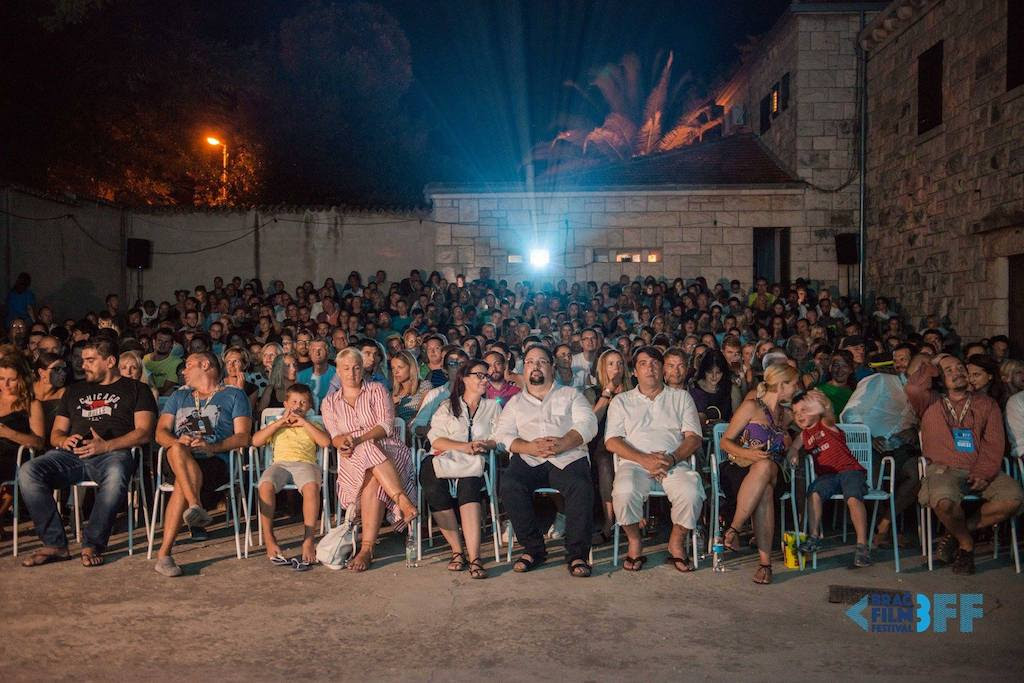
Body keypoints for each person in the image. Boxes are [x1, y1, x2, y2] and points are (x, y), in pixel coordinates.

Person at [19, 338, 157, 567]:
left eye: (91, 360)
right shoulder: (74, 391)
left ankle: (92, 542)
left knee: (115, 475)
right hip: (72, 455)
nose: (83, 366)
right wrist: (64, 440)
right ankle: (55, 543)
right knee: (29, 471)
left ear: (110, 361)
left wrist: (107, 446)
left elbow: (144, 432)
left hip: (113, 454)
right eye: (83, 360)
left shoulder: (136, 389)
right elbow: (56, 434)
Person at [906, 353, 1023, 574]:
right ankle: (966, 545)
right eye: (948, 370)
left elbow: (993, 443)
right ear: (940, 378)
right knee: (943, 502)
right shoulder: (930, 401)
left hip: (980, 468)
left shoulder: (986, 404)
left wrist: (983, 473)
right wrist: (932, 363)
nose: (956, 372)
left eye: (960, 368)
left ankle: (956, 532)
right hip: (944, 468)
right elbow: (913, 388)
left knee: (1014, 499)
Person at [495, 344, 599, 577]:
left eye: (541, 361)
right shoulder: (515, 403)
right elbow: (502, 435)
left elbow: (588, 423)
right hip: (530, 458)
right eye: (530, 362)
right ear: (524, 369)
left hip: (567, 455)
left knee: (581, 487)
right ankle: (534, 549)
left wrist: (563, 442)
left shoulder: (571, 395)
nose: (535, 366)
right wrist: (528, 446)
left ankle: (577, 554)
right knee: (510, 484)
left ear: (551, 367)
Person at [152, 351, 252, 577]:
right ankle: (195, 505)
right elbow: (160, 433)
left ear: (205, 365)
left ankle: (165, 554)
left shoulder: (234, 396)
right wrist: (177, 441)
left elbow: (243, 437)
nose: (183, 371)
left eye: (188, 365)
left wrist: (211, 447)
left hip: (214, 460)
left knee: (182, 482)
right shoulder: (179, 396)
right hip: (179, 456)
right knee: (177, 450)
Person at [605, 346, 704, 572]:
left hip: (673, 462)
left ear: (662, 370)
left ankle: (676, 542)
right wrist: (643, 459)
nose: (650, 368)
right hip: (634, 462)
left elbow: (694, 438)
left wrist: (671, 458)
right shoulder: (621, 401)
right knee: (623, 492)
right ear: (634, 372)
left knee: (691, 491)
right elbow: (611, 441)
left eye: (655, 363)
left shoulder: (680, 397)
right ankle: (634, 540)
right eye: (643, 363)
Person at [320, 347, 417, 572]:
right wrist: (343, 444)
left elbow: (385, 425)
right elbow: (334, 436)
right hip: (352, 459)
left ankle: (366, 548)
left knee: (370, 457)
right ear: (338, 371)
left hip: (390, 451)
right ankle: (401, 500)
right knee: (366, 457)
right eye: (346, 368)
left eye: (356, 367)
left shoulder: (377, 390)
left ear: (362, 368)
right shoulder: (330, 402)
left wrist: (358, 439)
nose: (352, 373)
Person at [719, 363, 799, 584]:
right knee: (763, 485)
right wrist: (748, 453)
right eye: (794, 384)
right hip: (741, 469)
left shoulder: (788, 414)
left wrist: (793, 447)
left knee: (765, 467)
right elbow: (725, 442)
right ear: (782, 385)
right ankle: (765, 564)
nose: (796, 389)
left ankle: (733, 528)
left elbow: (813, 426)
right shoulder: (751, 407)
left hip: (776, 471)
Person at [421, 360, 501, 579]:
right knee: (432, 483)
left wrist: (485, 445)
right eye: (480, 375)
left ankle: (475, 557)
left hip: (475, 460)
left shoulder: (492, 407)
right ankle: (457, 550)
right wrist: (462, 447)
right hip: (445, 456)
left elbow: (500, 438)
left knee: (469, 484)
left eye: (487, 376)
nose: (485, 380)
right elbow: (435, 438)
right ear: (464, 378)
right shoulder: (447, 405)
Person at [788, 389, 872, 567]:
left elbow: (828, 413)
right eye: (795, 413)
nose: (799, 416)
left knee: (852, 498)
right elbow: (794, 448)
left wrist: (823, 403)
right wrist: (793, 455)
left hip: (849, 471)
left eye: (804, 410)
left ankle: (862, 545)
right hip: (827, 476)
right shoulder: (804, 435)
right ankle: (814, 536)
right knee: (814, 493)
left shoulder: (825, 423)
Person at [251, 383, 331, 566]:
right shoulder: (276, 423)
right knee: (265, 486)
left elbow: (325, 442)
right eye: (294, 401)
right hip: (280, 464)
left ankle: (308, 539)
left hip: (305, 464)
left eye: (303, 403)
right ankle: (269, 538)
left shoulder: (313, 423)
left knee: (311, 487)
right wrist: (279, 423)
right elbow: (255, 441)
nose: (298, 406)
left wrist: (304, 423)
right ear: (286, 404)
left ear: (309, 406)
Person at [582, 348, 632, 541]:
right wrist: (608, 392)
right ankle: (609, 521)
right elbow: (591, 421)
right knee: (605, 459)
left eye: (620, 364)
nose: (616, 368)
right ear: (602, 367)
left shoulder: (633, 392)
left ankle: (632, 518)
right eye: (611, 364)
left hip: (629, 443)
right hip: (600, 444)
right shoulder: (591, 392)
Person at [0, 356, 45, 539]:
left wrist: (7, 433)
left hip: (17, 455)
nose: (6, 384)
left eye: (11, 379)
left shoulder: (31, 404)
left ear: (22, 378)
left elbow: (39, 442)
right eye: (1, 379)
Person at [31, 352, 67, 439]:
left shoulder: (64, 394)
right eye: (57, 369)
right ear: (41, 372)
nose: (63, 373)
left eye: (64, 369)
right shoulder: (26, 391)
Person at [296, 337, 336, 412]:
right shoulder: (301, 376)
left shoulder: (338, 374)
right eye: (313, 350)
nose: (317, 353)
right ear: (310, 353)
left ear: (327, 352)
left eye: (320, 350)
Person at [390, 350, 428, 425]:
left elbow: (423, 413)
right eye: (393, 368)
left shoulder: (424, 386)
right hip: (399, 432)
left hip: (418, 429)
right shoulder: (394, 393)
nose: (396, 372)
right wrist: (393, 406)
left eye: (400, 367)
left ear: (411, 367)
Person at [257, 353, 298, 418]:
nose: (294, 369)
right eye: (288, 366)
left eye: (295, 365)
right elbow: (260, 415)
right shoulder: (270, 390)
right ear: (279, 368)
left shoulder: (302, 389)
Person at [818, 349, 856, 416]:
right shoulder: (819, 391)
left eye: (845, 366)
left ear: (851, 369)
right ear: (830, 368)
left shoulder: (856, 392)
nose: (840, 370)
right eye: (836, 365)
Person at [144, 328, 182, 395]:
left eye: (166, 342)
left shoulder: (177, 363)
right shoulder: (143, 360)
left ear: (172, 345)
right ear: (154, 342)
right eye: (159, 341)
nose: (162, 344)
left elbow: (165, 389)